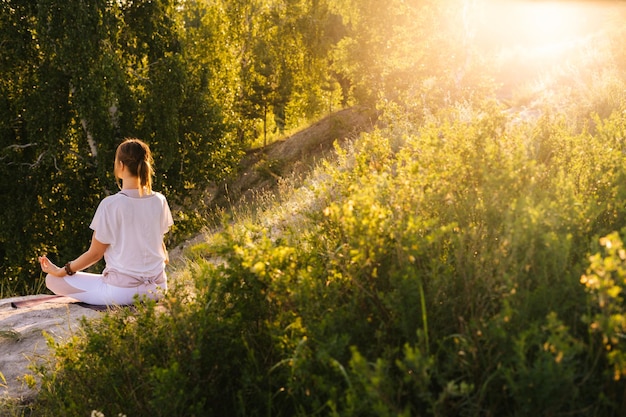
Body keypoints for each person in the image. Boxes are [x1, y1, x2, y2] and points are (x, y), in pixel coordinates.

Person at [38, 138, 174, 306]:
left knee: (52, 280)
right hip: (158, 288)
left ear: (121, 165)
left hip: (122, 294)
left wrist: (61, 271)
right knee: (105, 277)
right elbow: (161, 249)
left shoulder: (111, 204)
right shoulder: (159, 200)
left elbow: (95, 254)